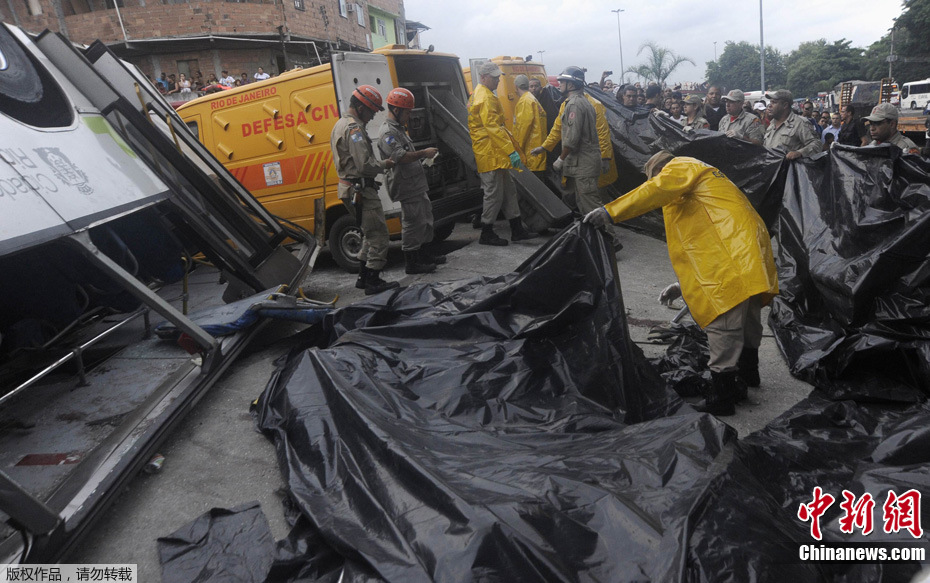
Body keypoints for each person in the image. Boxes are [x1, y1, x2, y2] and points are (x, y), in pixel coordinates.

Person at [583, 151, 778, 415]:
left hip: (732, 254)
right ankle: (747, 374)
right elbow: (698, 247)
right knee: (747, 314)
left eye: (654, 178)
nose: (656, 185)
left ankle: (722, 396)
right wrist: (682, 285)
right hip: (744, 250)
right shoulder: (703, 184)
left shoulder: (679, 166)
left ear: (663, 169)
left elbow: (657, 190)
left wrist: (610, 211)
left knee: (725, 318)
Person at [330, 84, 399, 295]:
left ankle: (363, 277)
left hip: (351, 189)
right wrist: (385, 164)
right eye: (371, 111)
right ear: (360, 107)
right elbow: (364, 165)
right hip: (360, 190)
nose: (372, 116)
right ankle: (373, 280)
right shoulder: (354, 129)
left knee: (369, 234)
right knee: (378, 235)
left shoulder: (340, 124)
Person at [467, 61, 535, 246]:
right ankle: (487, 233)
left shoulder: (483, 94)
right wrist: (510, 151)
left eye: (498, 77)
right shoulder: (485, 97)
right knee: (494, 194)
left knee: (509, 191)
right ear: (483, 77)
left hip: (494, 153)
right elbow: (494, 128)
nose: (498, 80)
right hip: (490, 154)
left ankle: (517, 230)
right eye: (495, 77)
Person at [378, 87, 444, 275]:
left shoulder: (398, 129)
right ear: (396, 110)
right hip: (405, 185)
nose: (409, 115)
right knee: (412, 222)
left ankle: (424, 255)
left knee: (424, 220)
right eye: (407, 112)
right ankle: (412, 263)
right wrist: (424, 153)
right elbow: (400, 156)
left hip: (415, 183)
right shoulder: (387, 133)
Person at [762, 90, 821, 160]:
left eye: (774, 102)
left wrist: (799, 153)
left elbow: (817, 144)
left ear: (785, 105)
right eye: (770, 102)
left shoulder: (800, 123)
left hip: (790, 169)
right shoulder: (771, 125)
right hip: (772, 169)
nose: (769, 106)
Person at [512, 74, 547, 182]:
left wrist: (517, 152)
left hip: (530, 154)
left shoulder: (524, 101)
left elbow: (523, 129)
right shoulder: (533, 100)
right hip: (538, 153)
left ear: (516, 87)